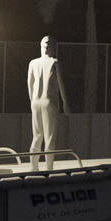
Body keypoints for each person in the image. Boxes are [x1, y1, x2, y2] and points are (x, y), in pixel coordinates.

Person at [27, 36, 69, 167]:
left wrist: (32, 99)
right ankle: (49, 168)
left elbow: (30, 84)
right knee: (49, 137)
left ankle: (34, 168)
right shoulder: (55, 62)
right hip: (49, 101)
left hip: (35, 102)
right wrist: (65, 102)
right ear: (53, 48)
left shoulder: (33, 63)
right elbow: (61, 84)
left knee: (37, 136)